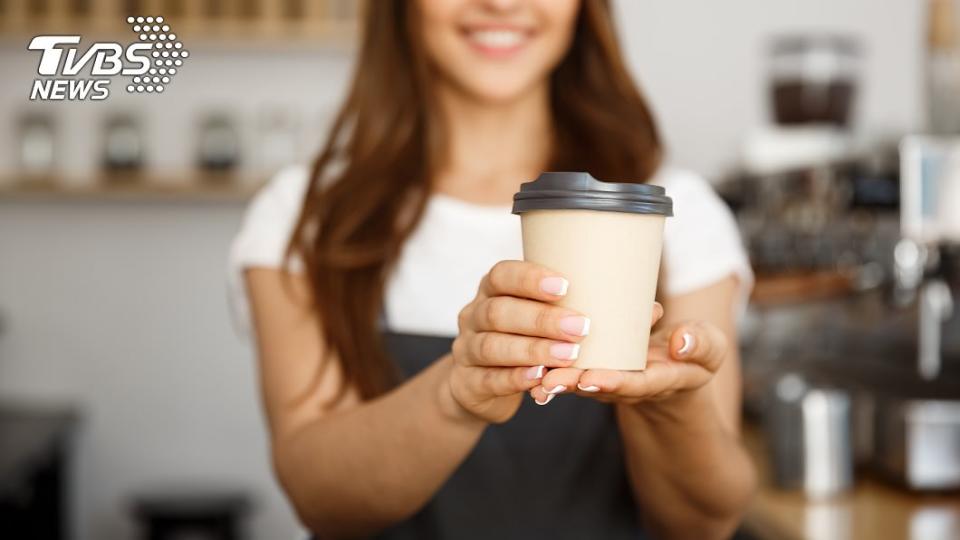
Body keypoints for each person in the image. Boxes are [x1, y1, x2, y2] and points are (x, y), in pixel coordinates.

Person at [229, 1, 757, 538]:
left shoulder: (680, 214)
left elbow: (704, 522)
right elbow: (318, 498)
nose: (502, 3)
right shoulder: (307, 216)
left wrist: (673, 410)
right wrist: (454, 393)